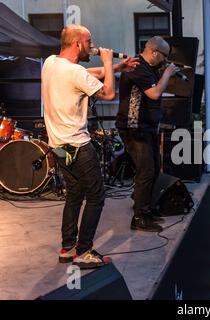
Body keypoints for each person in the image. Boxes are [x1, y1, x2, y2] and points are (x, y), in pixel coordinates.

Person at [42, 25, 139, 268]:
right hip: (78, 146)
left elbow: (84, 74)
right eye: (89, 42)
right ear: (77, 44)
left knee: (75, 194)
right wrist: (108, 61)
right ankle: (84, 251)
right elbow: (108, 93)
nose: (92, 46)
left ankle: (67, 248)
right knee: (96, 195)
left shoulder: (51, 62)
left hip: (57, 146)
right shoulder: (74, 72)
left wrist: (115, 67)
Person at [116, 36, 178, 232]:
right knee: (145, 171)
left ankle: (147, 209)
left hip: (146, 127)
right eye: (164, 56)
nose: (165, 60)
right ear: (154, 52)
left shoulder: (149, 68)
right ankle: (139, 217)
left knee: (153, 168)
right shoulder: (137, 66)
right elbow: (154, 94)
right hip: (134, 127)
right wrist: (167, 74)